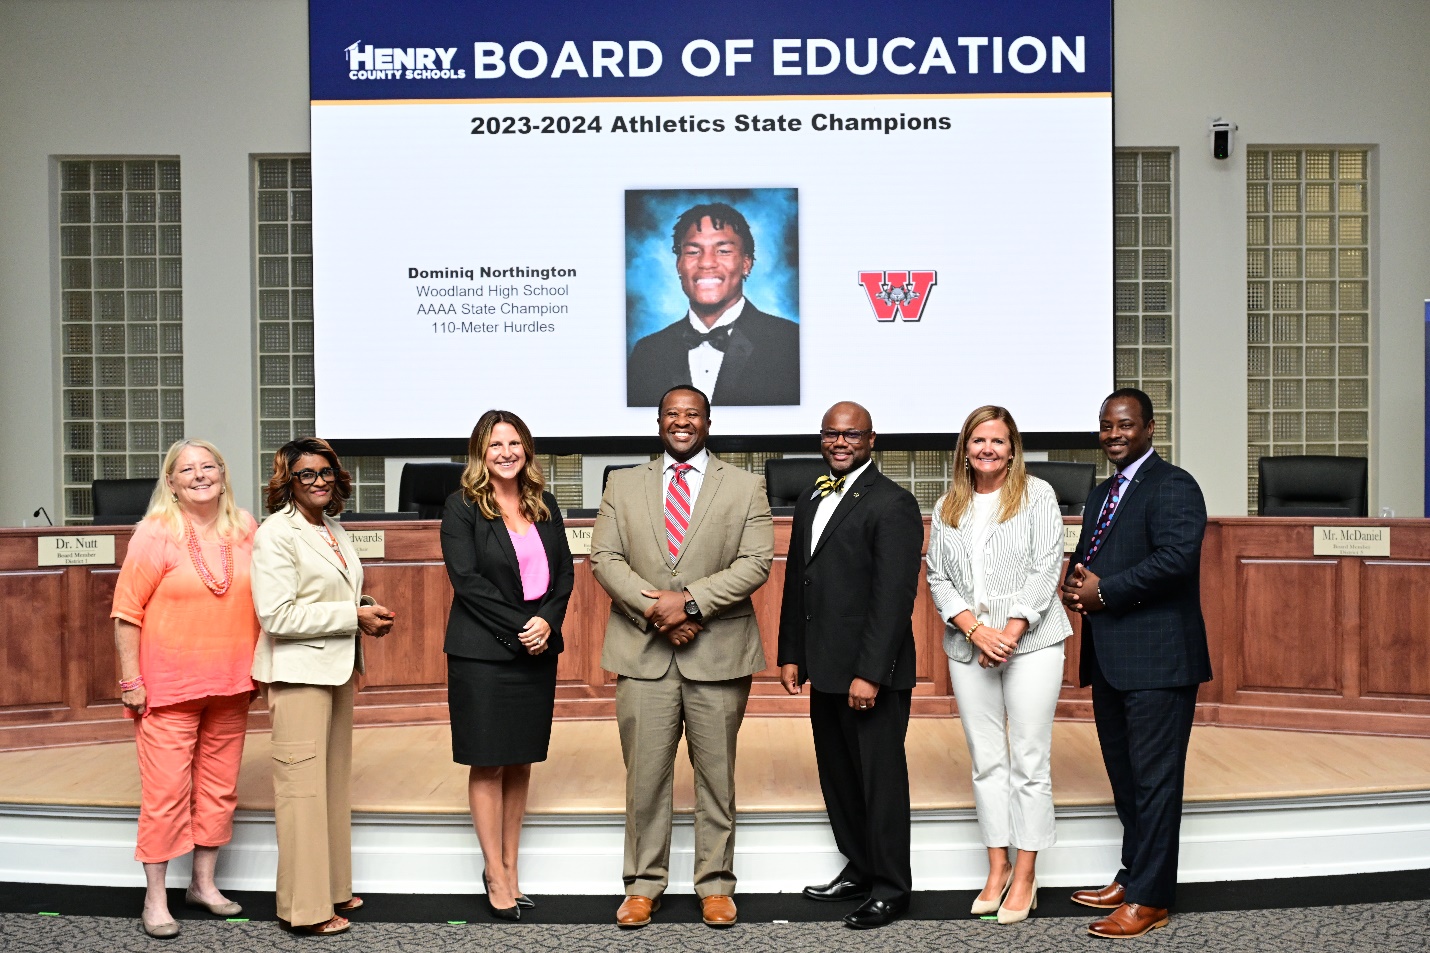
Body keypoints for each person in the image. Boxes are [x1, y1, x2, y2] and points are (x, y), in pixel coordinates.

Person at [591, 384, 774, 928]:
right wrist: (659, 612)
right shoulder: (621, 484)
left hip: (717, 653)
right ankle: (642, 885)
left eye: (692, 414)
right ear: (659, 422)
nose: (682, 422)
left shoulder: (745, 487)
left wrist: (689, 604)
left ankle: (716, 885)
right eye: (672, 413)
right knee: (645, 778)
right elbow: (605, 557)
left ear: (707, 422)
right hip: (644, 652)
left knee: (717, 778)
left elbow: (756, 562)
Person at [1059, 388, 1211, 939]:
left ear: (1150, 428)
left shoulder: (1174, 486)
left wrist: (1108, 592)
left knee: (1155, 782)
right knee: (1127, 780)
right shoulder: (1103, 493)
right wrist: (1075, 584)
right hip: (1112, 659)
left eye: (1124, 425)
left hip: (1160, 661)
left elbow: (1175, 560)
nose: (1113, 434)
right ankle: (1133, 874)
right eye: (1105, 426)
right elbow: (1096, 555)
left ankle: (1150, 899)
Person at [776, 401, 924, 929]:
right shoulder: (813, 497)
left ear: (871, 439)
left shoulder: (894, 503)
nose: (840, 442)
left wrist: (871, 673)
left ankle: (891, 886)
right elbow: (800, 581)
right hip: (824, 668)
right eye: (832, 434)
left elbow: (893, 599)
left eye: (852, 435)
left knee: (879, 781)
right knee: (839, 776)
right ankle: (860, 868)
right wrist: (791, 651)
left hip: (869, 675)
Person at [924, 406, 1073, 924]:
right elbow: (937, 577)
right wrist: (974, 630)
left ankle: (1027, 873)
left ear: (1013, 449)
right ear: (965, 448)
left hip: (1030, 643)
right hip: (969, 647)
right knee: (987, 760)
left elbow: (1045, 566)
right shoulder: (948, 505)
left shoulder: (1039, 496)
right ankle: (998, 866)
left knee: (1030, 761)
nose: (988, 448)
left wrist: (1007, 634)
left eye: (998, 440)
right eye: (978, 440)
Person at [111, 439, 260, 938]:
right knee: (165, 794)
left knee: (219, 790)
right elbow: (126, 613)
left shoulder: (245, 526)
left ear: (223, 471)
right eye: (186, 469)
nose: (200, 475)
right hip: (166, 688)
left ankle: (203, 885)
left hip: (232, 683)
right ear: (170, 482)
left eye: (208, 465)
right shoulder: (154, 533)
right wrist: (131, 680)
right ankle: (156, 899)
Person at [250, 437, 396, 936]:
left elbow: (332, 593)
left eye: (325, 472)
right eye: (306, 474)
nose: (318, 481)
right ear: (287, 482)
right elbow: (277, 614)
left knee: (330, 787)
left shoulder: (332, 527)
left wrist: (365, 609)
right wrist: (352, 616)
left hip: (335, 671)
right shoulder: (276, 533)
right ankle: (304, 909)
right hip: (297, 677)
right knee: (300, 794)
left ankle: (333, 887)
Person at [440, 410, 574, 922]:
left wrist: (548, 622)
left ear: (527, 450)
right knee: (488, 760)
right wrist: (525, 627)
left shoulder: (544, 503)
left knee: (520, 760)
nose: (506, 452)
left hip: (537, 650)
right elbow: (467, 581)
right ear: (481, 452)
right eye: (496, 444)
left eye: (515, 443)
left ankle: (512, 868)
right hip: (484, 653)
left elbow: (563, 573)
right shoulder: (462, 507)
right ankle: (493, 871)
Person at [626, 202, 800, 407]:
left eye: (723, 251)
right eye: (692, 252)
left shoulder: (790, 343)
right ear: (678, 265)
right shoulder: (647, 352)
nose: (706, 263)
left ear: (746, 263)